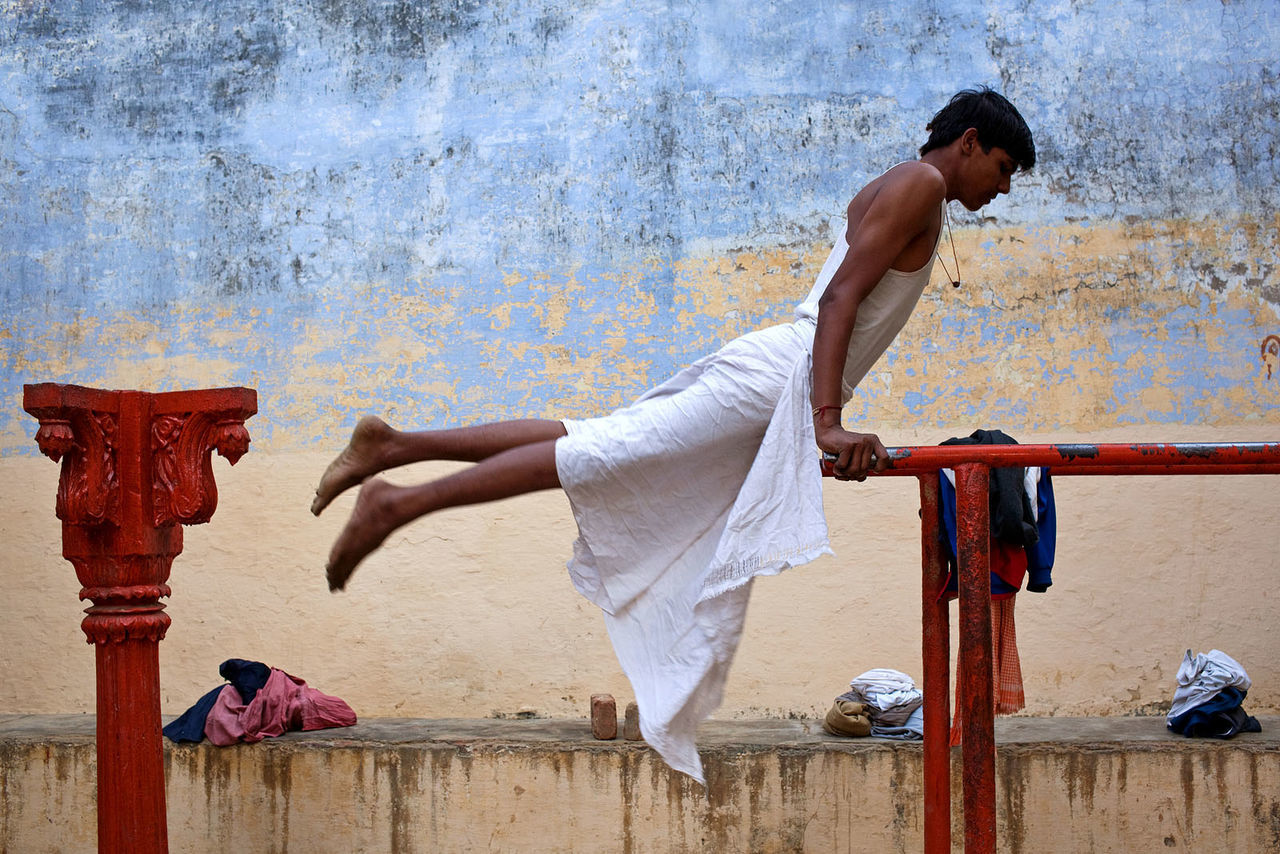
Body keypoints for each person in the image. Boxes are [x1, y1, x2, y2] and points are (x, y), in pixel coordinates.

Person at [312, 87, 1035, 782]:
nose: (1001, 189)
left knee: (596, 438)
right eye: (1002, 168)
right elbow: (842, 297)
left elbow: (847, 293)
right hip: (782, 381)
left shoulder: (897, 185)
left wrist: (819, 414)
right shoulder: (919, 185)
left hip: (784, 374)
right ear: (968, 143)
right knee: (599, 454)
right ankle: (395, 503)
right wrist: (824, 423)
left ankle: (394, 447)